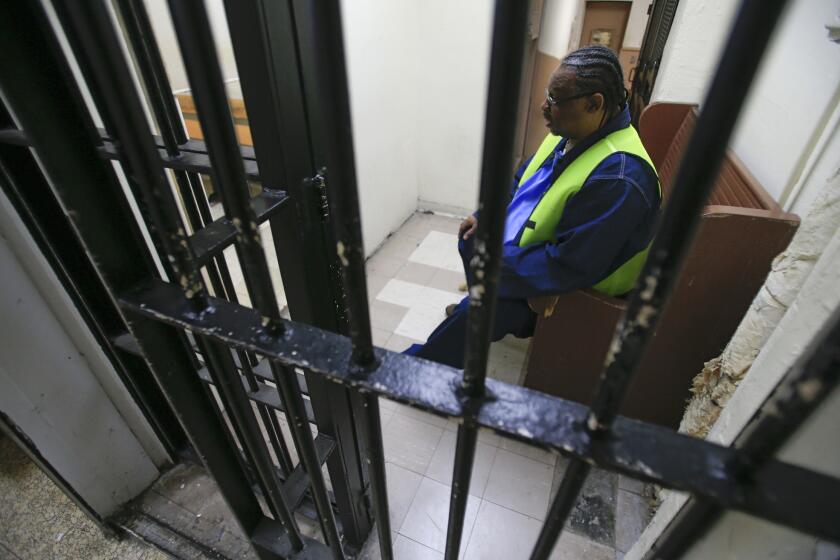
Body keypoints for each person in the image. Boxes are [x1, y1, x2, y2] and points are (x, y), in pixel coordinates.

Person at [405, 45, 660, 369]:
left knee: (484, 308)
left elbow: (571, 265)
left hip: (576, 288)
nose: (544, 106)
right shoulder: (572, 131)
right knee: (470, 237)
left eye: (555, 100)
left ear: (594, 103)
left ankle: (423, 367)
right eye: (547, 95)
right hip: (544, 252)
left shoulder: (621, 178)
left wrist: (499, 265)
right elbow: (521, 183)